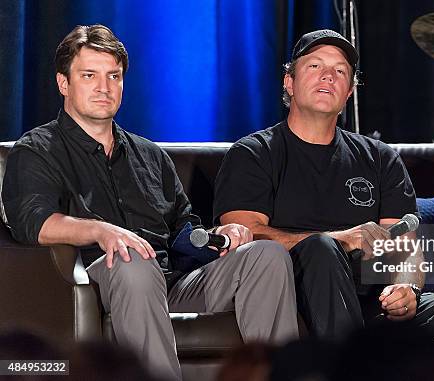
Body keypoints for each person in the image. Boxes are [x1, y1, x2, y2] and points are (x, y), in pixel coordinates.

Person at [1, 24, 298, 380]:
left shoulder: (149, 155)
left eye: (114, 76)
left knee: (267, 256)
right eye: (89, 75)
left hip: (169, 280)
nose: (104, 87)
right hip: (96, 278)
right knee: (131, 259)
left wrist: (220, 234)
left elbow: (183, 229)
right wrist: (100, 230)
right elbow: (33, 223)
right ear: (64, 83)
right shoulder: (37, 149)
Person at [213, 29, 434, 341]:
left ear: (350, 91)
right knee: (322, 248)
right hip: (291, 297)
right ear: (288, 82)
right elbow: (246, 237)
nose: (328, 76)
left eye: (340, 71)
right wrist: (339, 239)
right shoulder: (254, 153)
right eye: (315, 66)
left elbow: (407, 248)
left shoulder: (380, 159)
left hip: (369, 300)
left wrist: (406, 287)